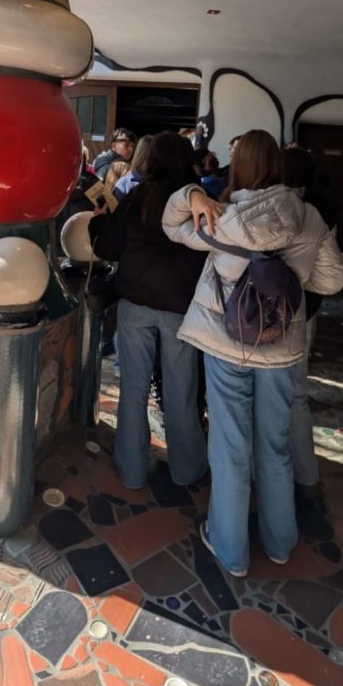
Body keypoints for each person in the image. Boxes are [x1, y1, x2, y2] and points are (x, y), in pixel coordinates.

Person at [163, 130, 343, 576]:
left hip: (228, 344)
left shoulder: (223, 218)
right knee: (275, 443)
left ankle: (231, 549)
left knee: (230, 445)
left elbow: (172, 226)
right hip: (282, 348)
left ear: (240, 166)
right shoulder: (310, 217)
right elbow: (333, 281)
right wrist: (293, 278)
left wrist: (190, 194)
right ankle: (280, 541)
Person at [89, 133, 208, 491]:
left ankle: (132, 470)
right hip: (180, 310)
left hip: (135, 304)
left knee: (133, 389)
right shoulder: (199, 200)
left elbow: (109, 246)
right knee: (181, 390)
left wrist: (99, 221)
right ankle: (187, 469)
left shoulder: (138, 195)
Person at [280, 148, 340, 498]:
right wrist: (306, 288)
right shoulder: (322, 207)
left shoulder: (269, 206)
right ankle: (305, 474)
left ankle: (269, 472)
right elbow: (333, 277)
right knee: (297, 393)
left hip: (262, 310)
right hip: (304, 307)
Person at [113, 135, 154, 200]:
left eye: (132, 146)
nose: (131, 149)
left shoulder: (124, 183)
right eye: (126, 145)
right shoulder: (165, 186)